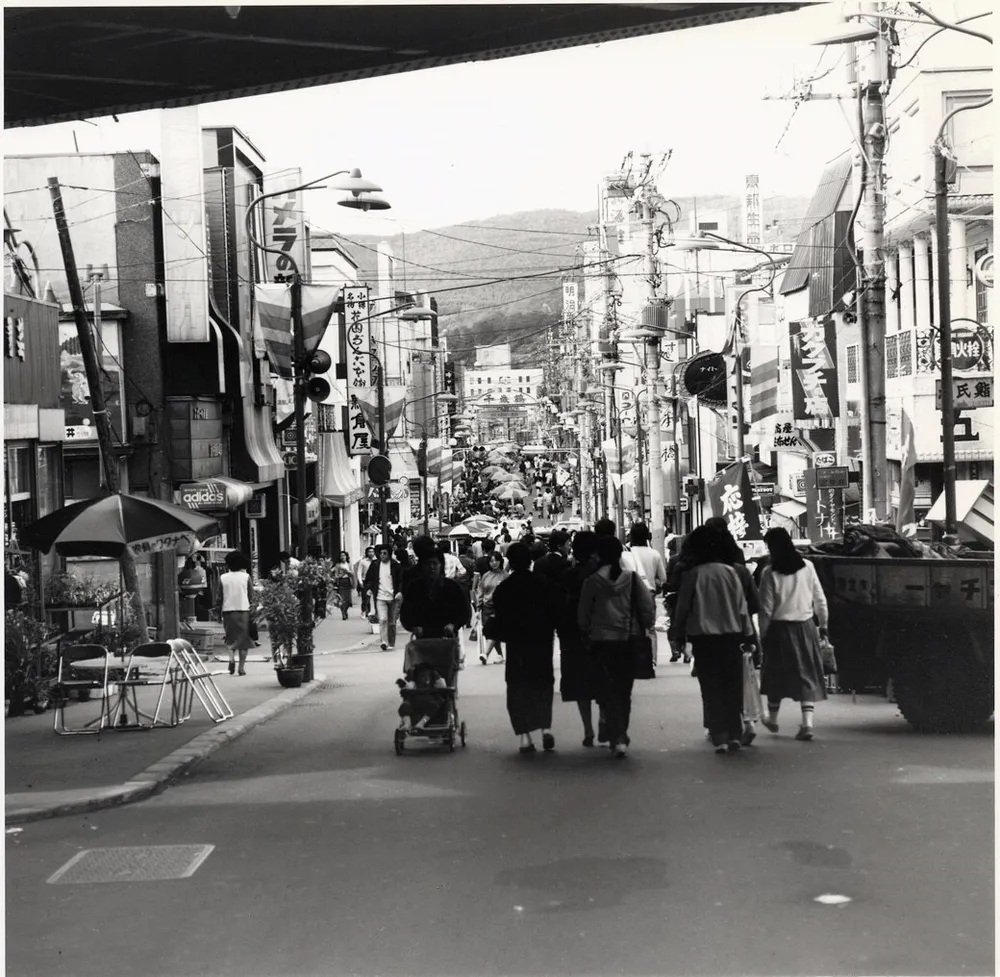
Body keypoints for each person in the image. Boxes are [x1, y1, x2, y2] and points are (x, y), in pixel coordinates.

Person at [670, 526, 757, 754]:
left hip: (703, 638)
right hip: (732, 636)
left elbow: (682, 610)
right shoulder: (730, 572)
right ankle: (735, 734)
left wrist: (677, 636)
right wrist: (749, 635)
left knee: (711, 687)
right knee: (732, 684)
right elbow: (742, 608)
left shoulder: (693, 575)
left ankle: (719, 736)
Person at [577, 536, 655, 758]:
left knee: (606, 690)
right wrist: (645, 627)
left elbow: (583, 616)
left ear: (599, 556)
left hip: (601, 642)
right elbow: (646, 607)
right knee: (624, 690)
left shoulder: (592, 582)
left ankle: (615, 733)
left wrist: (587, 632)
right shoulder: (631, 579)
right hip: (628, 640)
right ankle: (621, 734)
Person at [757, 527, 830, 742]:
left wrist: (763, 636)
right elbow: (820, 599)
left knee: (774, 675)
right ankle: (807, 723)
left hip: (779, 629)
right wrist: (823, 626)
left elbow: (766, 609)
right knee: (806, 674)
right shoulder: (808, 567)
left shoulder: (769, 573)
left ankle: (773, 718)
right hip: (805, 627)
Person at [492, 542, 558, 755]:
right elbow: (554, 611)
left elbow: (499, 618)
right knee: (542, 684)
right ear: (530, 560)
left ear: (510, 562)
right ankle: (545, 728)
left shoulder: (504, 588)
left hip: (516, 643)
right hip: (541, 641)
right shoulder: (543, 583)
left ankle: (524, 737)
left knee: (518, 687)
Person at [557, 530, 606, 747]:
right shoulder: (603, 574)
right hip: (602, 633)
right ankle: (604, 718)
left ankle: (588, 729)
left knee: (580, 684)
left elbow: (561, 606)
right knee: (604, 680)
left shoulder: (568, 575)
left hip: (573, 635)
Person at [399, 548, 471, 640]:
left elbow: (464, 611)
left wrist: (454, 624)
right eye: (428, 564)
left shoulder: (452, 586)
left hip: (447, 638)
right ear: (422, 566)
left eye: (434, 563)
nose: (431, 567)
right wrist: (413, 626)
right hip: (423, 638)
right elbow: (406, 612)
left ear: (440, 565)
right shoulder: (414, 587)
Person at [217, 551, 255, 676]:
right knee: (244, 641)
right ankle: (241, 667)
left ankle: (231, 659)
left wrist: (218, 611)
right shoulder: (246, 577)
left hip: (228, 611)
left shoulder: (223, 578)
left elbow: (219, 597)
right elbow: (251, 596)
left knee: (230, 639)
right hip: (244, 611)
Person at [364, 545, 404, 651]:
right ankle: (384, 642)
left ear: (389, 554)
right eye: (381, 553)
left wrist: (399, 592)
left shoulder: (396, 565)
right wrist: (369, 588)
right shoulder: (375, 564)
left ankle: (391, 642)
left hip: (393, 597)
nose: (382, 555)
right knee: (382, 619)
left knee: (392, 622)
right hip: (380, 597)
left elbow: (401, 580)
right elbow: (369, 578)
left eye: (384, 553)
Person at [475, 550, 508, 664]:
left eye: (496, 560)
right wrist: (478, 607)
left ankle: (486, 654)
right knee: (490, 632)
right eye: (491, 561)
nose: (494, 563)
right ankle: (500, 655)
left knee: (494, 630)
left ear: (500, 561)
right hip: (486, 607)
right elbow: (480, 591)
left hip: (499, 608)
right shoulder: (486, 576)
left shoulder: (505, 575)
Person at [396, 662, 449, 730]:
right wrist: (404, 685)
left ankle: (421, 723)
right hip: (415, 700)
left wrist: (437, 678)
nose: (423, 677)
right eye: (421, 675)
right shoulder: (414, 676)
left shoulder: (434, 675)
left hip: (429, 699)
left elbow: (442, 686)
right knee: (404, 706)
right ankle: (407, 724)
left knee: (433, 706)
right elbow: (410, 686)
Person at [332, 551, 356, 621]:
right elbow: (336, 576)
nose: (342, 557)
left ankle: (345, 610)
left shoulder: (349, 565)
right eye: (341, 556)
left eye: (344, 555)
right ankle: (343, 613)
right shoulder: (337, 565)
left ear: (346, 557)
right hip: (341, 582)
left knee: (348, 600)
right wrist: (341, 575)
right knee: (342, 599)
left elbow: (352, 573)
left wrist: (347, 572)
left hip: (348, 582)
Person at [356, 546, 376, 617]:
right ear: (367, 553)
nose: (371, 553)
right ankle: (365, 611)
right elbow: (359, 572)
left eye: (372, 551)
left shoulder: (376, 561)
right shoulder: (363, 561)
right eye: (369, 552)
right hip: (365, 581)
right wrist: (360, 582)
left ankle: (373, 612)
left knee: (375, 598)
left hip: (374, 582)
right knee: (365, 598)